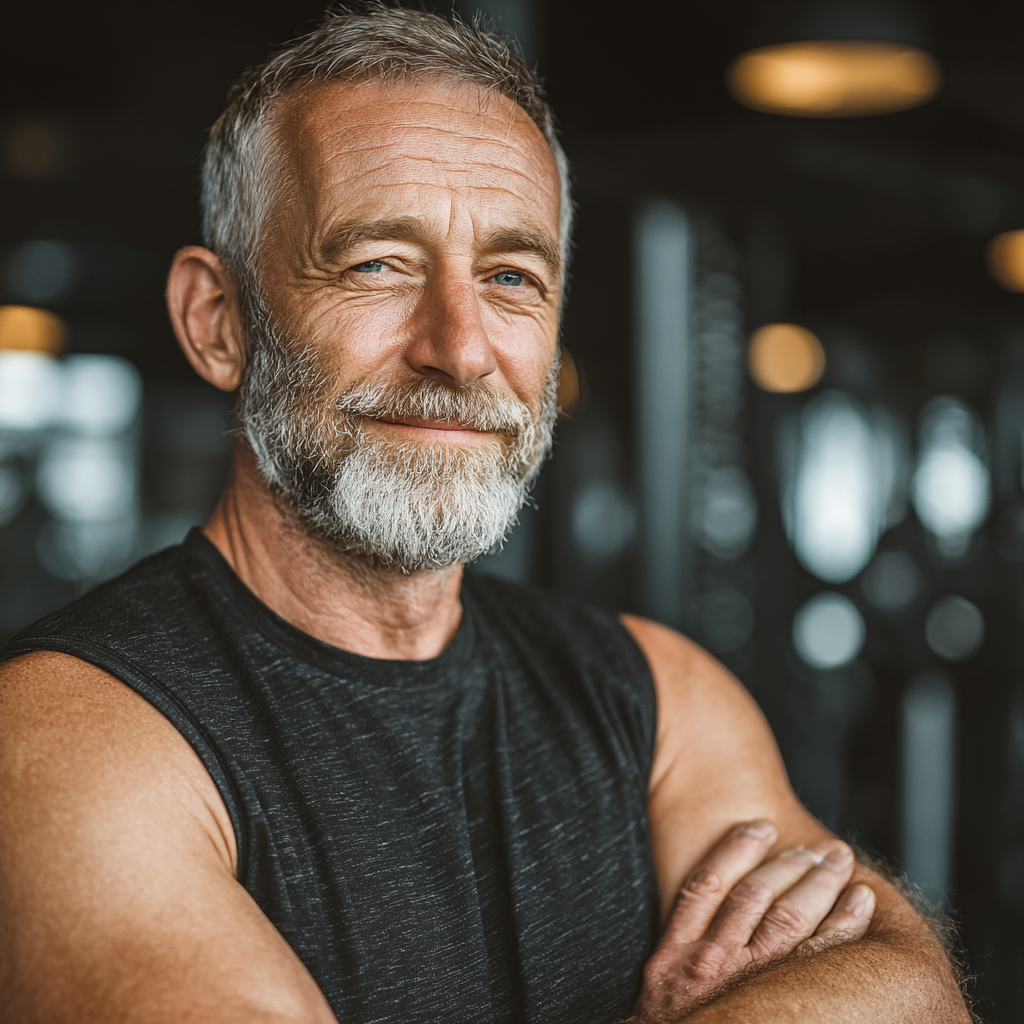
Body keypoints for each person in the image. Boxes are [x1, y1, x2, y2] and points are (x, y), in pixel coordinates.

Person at [0, 7, 969, 1023]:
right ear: (218, 321)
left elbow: (916, 990)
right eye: (378, 263)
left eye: (510, 278)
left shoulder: (659, 699)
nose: (459, 349)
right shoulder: (69, 739)